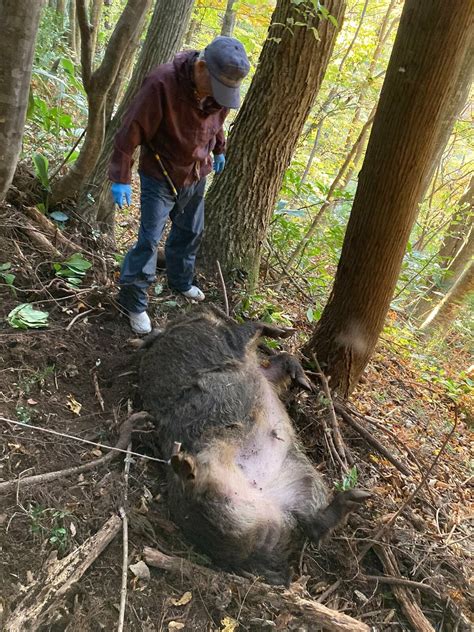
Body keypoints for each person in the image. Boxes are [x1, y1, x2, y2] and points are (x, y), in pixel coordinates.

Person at [109, 36, 250, 334]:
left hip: (197, 173)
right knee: (149, 240)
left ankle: (181, 280)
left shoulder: (219, 94)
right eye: (217, 87)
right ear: (201, 67)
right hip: (160, 174)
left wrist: (219, 150)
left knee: (191, 231)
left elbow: (217, 123)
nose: (220, 96)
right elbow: (130, 128)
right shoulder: (162, 83)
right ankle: (133, 301)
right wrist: (121, 176)